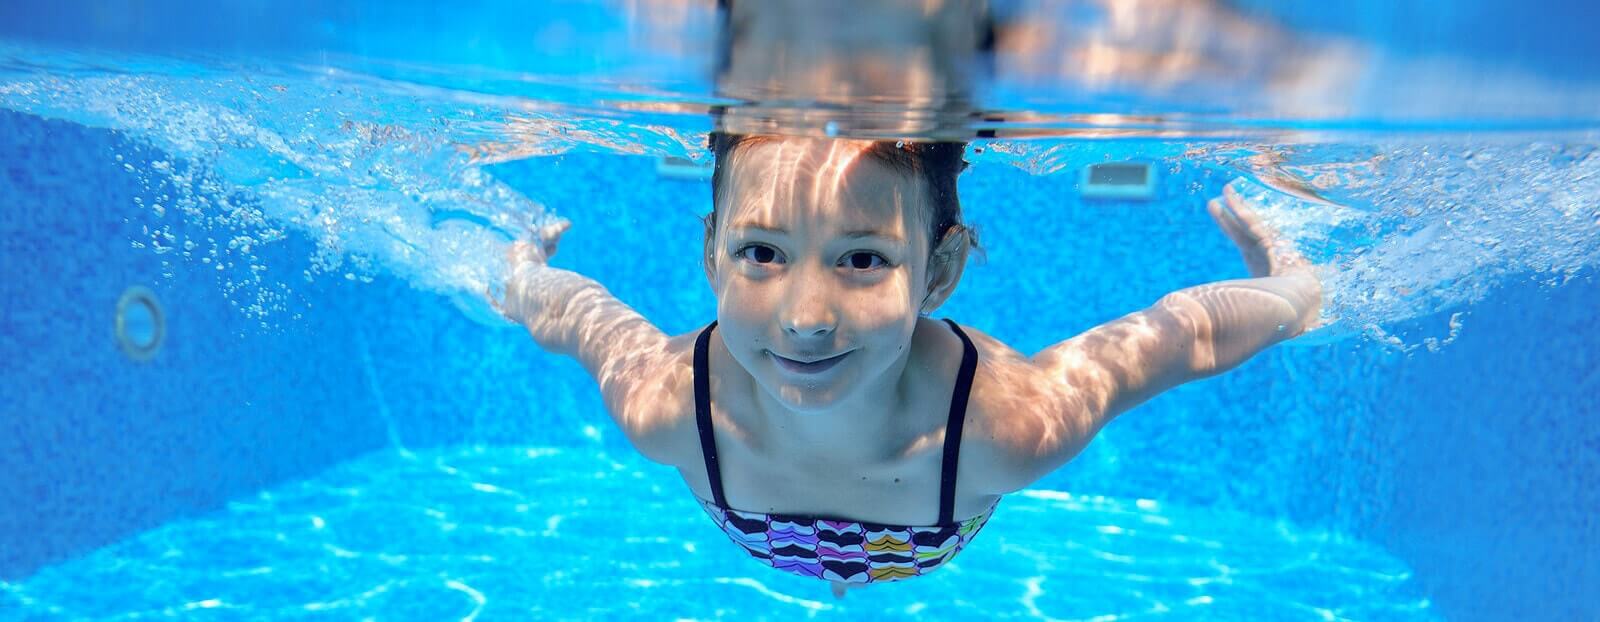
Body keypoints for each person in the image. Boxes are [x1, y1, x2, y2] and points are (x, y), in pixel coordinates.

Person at [494, 133, 1321, 599]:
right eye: (761, 252)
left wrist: (1294, 286)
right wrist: (523, 270)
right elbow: (573, 317)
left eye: (862, 260)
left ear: (940, 273)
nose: (805, 318)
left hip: (926, 534)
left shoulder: (1004, 426)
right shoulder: (670, 406)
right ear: (711, 253)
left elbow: (1183, 338)